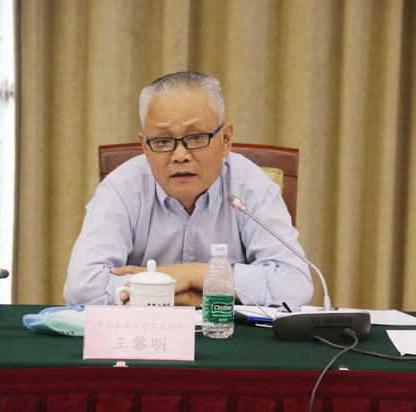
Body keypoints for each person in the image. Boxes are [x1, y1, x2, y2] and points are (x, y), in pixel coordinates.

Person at [64, 71, 313, 307]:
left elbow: (295, 286)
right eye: (163, 141)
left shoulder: (251, 187)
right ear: (145, 146)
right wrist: (189, 292)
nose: (180, 155)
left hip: (226, 330)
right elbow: (82, 289)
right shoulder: (122, 188)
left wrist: (189, 275)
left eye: (196, 138)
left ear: (226, 140)